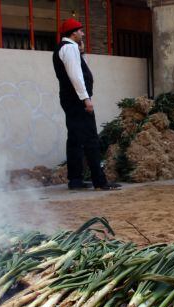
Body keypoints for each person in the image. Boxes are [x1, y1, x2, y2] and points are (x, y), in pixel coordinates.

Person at [53, 18, 120, 190]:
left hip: (70, 100)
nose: (83, 34)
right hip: (77, 101)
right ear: (73, 33)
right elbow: (76, 76)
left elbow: (78, 70)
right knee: (90, 139)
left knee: (74, 139)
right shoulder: (69, 48)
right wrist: (86, 99)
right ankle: (100, 181)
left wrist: (81, 53)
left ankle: (75, 180)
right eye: (81, 31)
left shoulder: (67, 48)